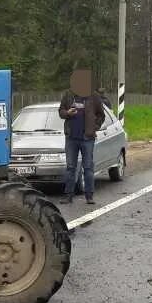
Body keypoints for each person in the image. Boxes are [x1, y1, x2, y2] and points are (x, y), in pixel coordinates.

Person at [58, 70, 106, 204]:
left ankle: (89, 196)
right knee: (70, 167)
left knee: (88, 167)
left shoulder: (94, 96)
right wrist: (67, 112)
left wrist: (94, 127)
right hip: (71, 137)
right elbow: (61, 112)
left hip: (87, 138)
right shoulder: (68, 95)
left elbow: (101, 115)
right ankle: (68, 195)